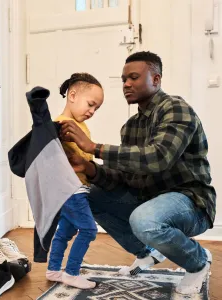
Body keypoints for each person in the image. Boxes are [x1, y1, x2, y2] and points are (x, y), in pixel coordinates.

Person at [59, 51, 216, 295]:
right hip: (149, 200)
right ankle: (147, 254)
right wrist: (88, 167)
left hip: (190, 202)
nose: (126, 84)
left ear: (156, 79)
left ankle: (198, 262)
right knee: (90, 197)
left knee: (145, 220)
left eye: (133, 77)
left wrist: (94, 148)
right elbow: (126, 177)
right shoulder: (130, 127)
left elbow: (159, 157)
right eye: (123, 79)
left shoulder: (176, 108)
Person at [46, 73, 104, 289]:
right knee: (89, 230)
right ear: (72, 95)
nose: (92, 111)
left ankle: (53, 270)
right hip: (71, 189)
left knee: (66, 231)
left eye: (96, 108)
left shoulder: (75, 124)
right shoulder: (61, 125)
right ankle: (71, 273)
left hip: (75, 188)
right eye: (90, 104)